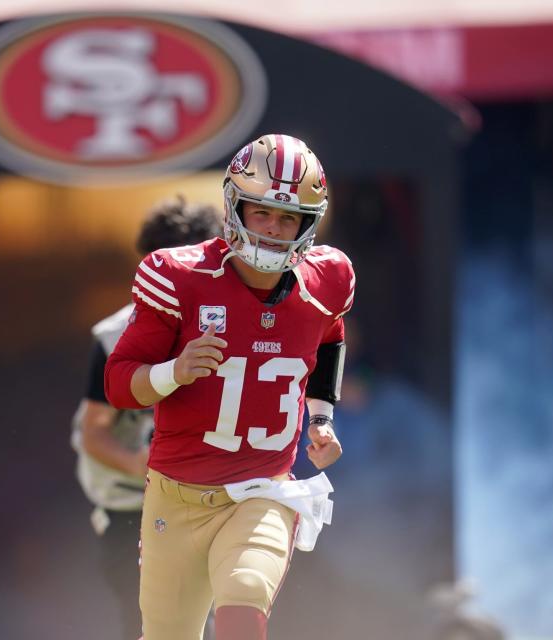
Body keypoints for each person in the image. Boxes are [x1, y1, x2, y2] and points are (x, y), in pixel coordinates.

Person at [104, 134, 355, 640]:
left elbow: (328, 336)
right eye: (261, 212)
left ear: (309, 224)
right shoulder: (179, 277)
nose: (272, 228)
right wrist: (175, 369)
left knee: (243, 597)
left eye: (288, 218)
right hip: (176, 497)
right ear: (234, 204)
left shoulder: (325, 280)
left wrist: (321, 416)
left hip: (260, 490)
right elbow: (119, 384)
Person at [71, 197, 223, 640]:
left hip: (204, 499)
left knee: (209, 619)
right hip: (133, 505)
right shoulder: (118, 335)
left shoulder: (231, 326)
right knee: (145, 622)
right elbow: (93, 432)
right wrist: (140, 463)